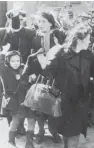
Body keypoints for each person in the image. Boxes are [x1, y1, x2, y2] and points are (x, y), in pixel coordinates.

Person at [37, 24, 94, 148]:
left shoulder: (88, 54)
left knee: (74, 134)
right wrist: (43, 64)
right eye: (88, 38)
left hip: (80, 101)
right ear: (80, 39)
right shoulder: (62, 52)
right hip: (62, 101)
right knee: (66, 133)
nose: (90, 40)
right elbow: (49, 72)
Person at [21, 11, 66, 147]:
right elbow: (34, 55)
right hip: (40, 75)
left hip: (56, 75)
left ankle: (54, 131)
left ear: (51, 22)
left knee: (54, 104)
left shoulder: (59, 35)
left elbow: (64, 53)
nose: (40, 24)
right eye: (39, 22)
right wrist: (32, 72)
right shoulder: (36, 37)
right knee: (39, 105)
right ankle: (40, 131)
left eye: (43, 21)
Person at [0, 51, 29, 148]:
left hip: (22, 99)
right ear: (8, 62)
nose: (16, 63)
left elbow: (25, 84)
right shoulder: (5, 71)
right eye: (13, 61)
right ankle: (11, 139)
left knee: (21, 118)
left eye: (18, 60)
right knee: (15, 120)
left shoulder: (22, 69)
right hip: (13, 100)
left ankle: (18, 132)